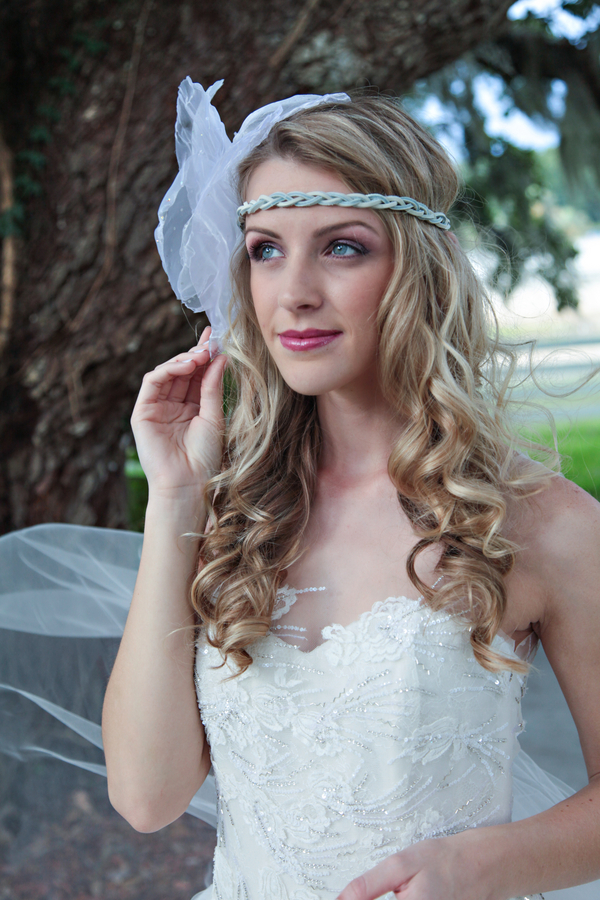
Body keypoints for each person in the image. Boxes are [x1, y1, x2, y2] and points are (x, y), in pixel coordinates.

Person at [0, 79, 599, 900]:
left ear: (416, 267)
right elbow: (145, 797)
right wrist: (175, 498)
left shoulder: (539, 522)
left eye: (343, 246)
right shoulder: (234, 512)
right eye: (266, 249)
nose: (295, 292)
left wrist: (480, 865)